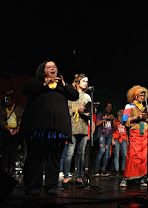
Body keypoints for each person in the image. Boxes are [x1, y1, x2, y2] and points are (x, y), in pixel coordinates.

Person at [20, 60, 79, 196]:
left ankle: (51, 186)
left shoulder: (62, 86)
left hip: (57, 129)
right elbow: (24, 90)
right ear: (43, 70)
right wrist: (44, 83)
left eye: (54, 67)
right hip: (38, 129)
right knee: (36, 158)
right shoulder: (36, 82)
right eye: (49, 67)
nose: (53, 68)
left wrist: (64, 85)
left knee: (54, 158)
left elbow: (74, 96)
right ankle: (33, 186)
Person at [120, 85, 148, 187]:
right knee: (133, 155)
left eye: (144, 95)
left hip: (146, 133)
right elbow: (123, 121)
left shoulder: (145, 107)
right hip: (135, 133)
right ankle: (126, 178)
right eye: (140, 95)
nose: (142, 97)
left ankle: (142, 177)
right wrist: (135, 117)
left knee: (144, 156)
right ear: (134, 95)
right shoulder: (129, 106)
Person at [63, 74, 91, 188]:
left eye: (86, 81)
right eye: (83, 81)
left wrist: (88, 111)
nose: (85, 83)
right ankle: (66, 177)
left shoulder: (88, 97)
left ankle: (79, 177)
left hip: (83, 128)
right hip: (73, 127)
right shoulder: (71, 95)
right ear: (78, 82)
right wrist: (76, 109)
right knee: (70, 153)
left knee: (81, 154)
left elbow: (89, 113)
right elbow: (66, 110)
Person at [0, 91, 23, 175]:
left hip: (16, 132)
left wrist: (17, 129)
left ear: (13, 100)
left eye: (9, 100)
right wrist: (9, 130)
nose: (7, 101)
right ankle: (5, 168)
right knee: (5, 151)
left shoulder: (18, 109)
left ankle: (12, 168)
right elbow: (2, 122)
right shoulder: (3, 110)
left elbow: (20, 120)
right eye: (6, 100)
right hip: (6, 132)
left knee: (13, 151)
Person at [94, 102, 114, 176]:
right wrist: (105, 119)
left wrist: (113, 119)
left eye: (110, 107)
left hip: (109, 135)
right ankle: (96, 169)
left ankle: (103, 169)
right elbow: (97, 124)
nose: (109, 108)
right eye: (108, 106)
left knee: (107, 152)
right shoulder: (100, 114)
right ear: (105, 107)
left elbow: (114, 127)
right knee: (102, 151)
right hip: (102, 135)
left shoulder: (111, 115)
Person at [112, 109, 127, 176]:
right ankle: (116, 170)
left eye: (123, 112)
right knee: (116, 154)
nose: (122, 113)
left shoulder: (125, 121)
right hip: (116, 138)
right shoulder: (115, 120)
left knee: (125, 155)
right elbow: (112, 129)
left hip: (123, 138)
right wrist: (112, 140)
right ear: (117, 113)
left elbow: (127, 131)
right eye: (120, 112)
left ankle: (123, 169)